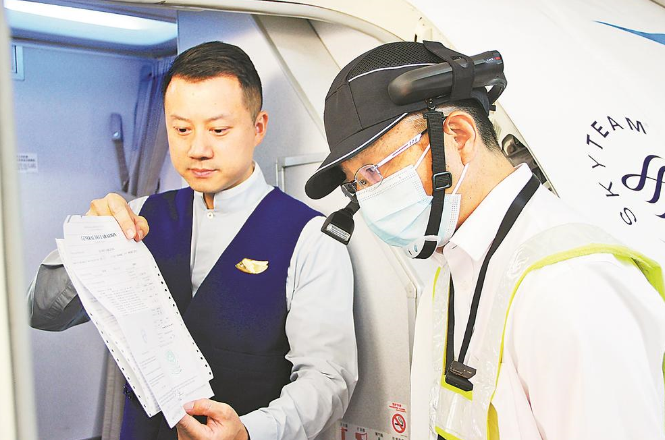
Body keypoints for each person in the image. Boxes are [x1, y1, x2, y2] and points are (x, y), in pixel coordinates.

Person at [304, 40, 665, 440]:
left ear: (458, 137)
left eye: (375, 170)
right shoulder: (454, 267)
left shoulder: (570, 288)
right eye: (357, 183)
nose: (369, 196)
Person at [28, 41, 357, 440]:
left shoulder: (310, 238)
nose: (198, 149)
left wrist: (249, 432)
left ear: (258, 127)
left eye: (218, 130)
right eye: (181, 129)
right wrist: (88, 241)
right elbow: (43, 314)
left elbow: (327, 379)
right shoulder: (137, 216)